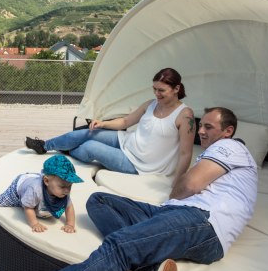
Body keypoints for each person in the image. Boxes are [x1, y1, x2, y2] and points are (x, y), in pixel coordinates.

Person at [0, 107, 258, 271]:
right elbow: (182, 190)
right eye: (201, 126)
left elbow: (190, 185)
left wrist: (182, 187)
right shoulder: (220, 153)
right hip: (175, 214)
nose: (201, 131)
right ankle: (150, 266)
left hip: (203, 224)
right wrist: (179, 191)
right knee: (99, 201)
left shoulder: (230, 147)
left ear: (228, 131)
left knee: (121, 246)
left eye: (209, 127)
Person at [25, 68, 195, 184]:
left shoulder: (185, 115)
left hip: (139, 164)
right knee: (89, 132)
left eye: (161, 90)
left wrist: (178, 181)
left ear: (176, 88)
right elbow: (126, 122)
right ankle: (44, 146)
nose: (157, 94)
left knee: (90, 147)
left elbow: (186, 152)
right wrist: (102, 123)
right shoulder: (151, 104)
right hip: (127, 141)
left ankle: (69, 150)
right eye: (155, 89)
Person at [0, 154, 83, 233]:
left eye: (70, 186)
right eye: (63, 186)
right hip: (20, 187)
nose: (67, 190)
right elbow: (28, 207)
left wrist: (70, 224)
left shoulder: (62, 191)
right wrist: (34, 223)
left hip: (37, 180)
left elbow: (69, 207)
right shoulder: (34, 190)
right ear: (46, 181)